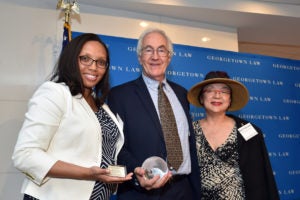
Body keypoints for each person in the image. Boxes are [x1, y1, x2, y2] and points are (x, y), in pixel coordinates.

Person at [12, 33, 133, 200]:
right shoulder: (55, 93)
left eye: (101, 62)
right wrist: (88, 173)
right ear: (71, 60)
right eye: (85, 59)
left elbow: (103, 152)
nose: (93, 67)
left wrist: (136, 171)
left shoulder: (101, 105)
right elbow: (24, 155)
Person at [107, 28, 201, 200]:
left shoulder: (182, 94)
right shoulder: (119, 95)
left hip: (184, 190)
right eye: (148, 50)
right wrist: (137, 173)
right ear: (139, 57)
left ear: (169, 57)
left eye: (161, 50)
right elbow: (115, 146)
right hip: (141, 193)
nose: (155, 56)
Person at [187, 71, 280, 200]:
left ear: (230, 99)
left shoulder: (249, 131)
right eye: (210, 90)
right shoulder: (188, 131)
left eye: (224, 91)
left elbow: (261, 178)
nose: (217, 95)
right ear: (201, 98)